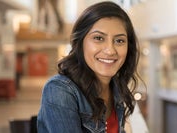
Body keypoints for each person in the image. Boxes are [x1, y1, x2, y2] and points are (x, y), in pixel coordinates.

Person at [37, 1, 144, 133]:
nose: (110, 50)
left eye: (119, 41)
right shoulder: (60, 90)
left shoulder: (116, 87)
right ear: (81, 42)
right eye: (98, 38)